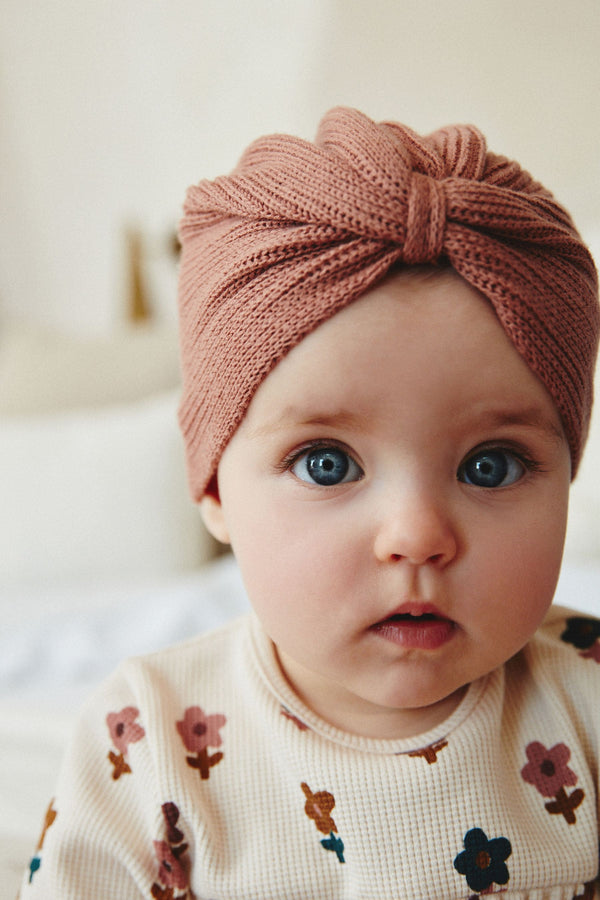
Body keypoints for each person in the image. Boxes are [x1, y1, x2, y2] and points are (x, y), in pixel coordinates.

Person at [20, 107, 600, 899]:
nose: (417, 536)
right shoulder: (146, 742)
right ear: (215, 489)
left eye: (491, 466)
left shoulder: (587, 698)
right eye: (327, 464)